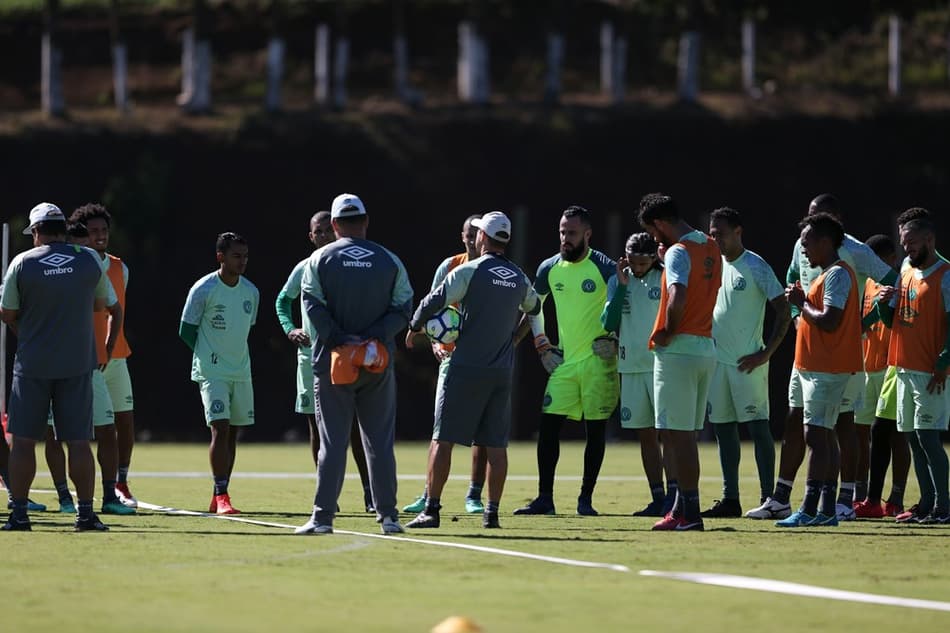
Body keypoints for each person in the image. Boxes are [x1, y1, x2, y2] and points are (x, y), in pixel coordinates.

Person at [747, 193, 897, 520]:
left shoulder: (852, 257)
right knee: (804, 424)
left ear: (829, 233)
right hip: (810, 355)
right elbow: (793, 280)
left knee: (832, 429)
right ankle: (791, 499)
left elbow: (886, 286)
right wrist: (797, 304)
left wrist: (867, 319)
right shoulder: (812, 254)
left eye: (810, 236)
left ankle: (833, 503)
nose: (803, 245)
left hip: (833, 359)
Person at [404, 211, 540, 529]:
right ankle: (491, 513)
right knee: (496, 445)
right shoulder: (519, 276)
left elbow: (433, 301)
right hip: (501, 371)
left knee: (442, 440)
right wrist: (513, 341)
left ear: (482, 237)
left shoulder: (469, 271)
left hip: (464, 368)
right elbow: (535, 309)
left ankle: (432, 510)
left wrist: (414, 327)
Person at [295, 193, 412, 535]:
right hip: (376, 362)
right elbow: (404, 307)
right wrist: (374, 338)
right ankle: (389, 517)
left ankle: (322, 518)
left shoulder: (319, 259)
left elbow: (312, 305)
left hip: (334, 364)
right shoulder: (390, 260)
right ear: (365, 221)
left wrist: (340, 340)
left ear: (333, 225)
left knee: (332, 442)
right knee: (379, 441)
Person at [1, 202, 112, 531]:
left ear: (36, 232)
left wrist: (30, 331)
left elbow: (7, 313)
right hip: (77, 362)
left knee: (23, 441)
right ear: (63, 229)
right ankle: (85, 514)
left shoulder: (22, 262)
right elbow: (100, 304)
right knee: (77, 441)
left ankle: (19, 515)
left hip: (33, 363)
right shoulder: (89, 260)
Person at [513, 205, 618, 517]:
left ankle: (585, 500)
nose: (565, 238)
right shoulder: (549, 268)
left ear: (587, 234)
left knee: (595, 432)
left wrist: (617, 339)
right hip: (565, 364)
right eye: (561, 232)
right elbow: (534, 307)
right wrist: (539, 343)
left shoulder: (604, 267)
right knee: (547, 428)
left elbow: (624, 305)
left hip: (599, 364)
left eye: (571, 233)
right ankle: (545, 498)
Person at [276, 210, 374, 512]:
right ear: (311, 236)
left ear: (335, 230)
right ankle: (327, 493)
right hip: (311, 357)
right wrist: (290, 328)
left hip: (346, 354)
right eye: (316, 232)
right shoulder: (304, 267)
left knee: (357, 426)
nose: (322, 236)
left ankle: (370, 493)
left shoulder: (348, 265)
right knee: (318, 428)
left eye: (325, 231)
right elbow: (283, 300)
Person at [637, 193, 722, 532]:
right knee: (685, 434)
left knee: (678, 436)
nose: (654, 239)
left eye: (653, 231)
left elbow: (679, 294)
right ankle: (682, 507)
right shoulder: (710, 245)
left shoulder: (677, 252)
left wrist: (668, 332)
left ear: (660, 224)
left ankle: (689, 512)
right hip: (705, 347)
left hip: (679, 350)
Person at [776, 212, 863, 527]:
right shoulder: (828, 273)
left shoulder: (838, 275)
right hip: (814, 366)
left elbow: (829, 320)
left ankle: (811, 508)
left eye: (808, 242)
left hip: (827, 368)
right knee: (821, 436)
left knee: (817, 436)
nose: (804, 249)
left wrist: (801, 302)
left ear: (826, 242)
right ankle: (825, 509)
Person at [703, 207, 790, 517]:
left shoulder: (755, 265)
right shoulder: (712, 265)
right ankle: (731, 499)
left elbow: (783, 308)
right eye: (712, 234)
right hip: (717, 363)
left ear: (738, 232)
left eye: (721, 234)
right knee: (723, 429)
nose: (716, 240)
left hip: (748, 363)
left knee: (757, 428)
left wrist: (766, 353)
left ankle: (771, 500)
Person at [43, 219, 134, 516]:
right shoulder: (39, 268)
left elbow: (114, 309)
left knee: (107, 429)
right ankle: (65, 499)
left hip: (87, 364)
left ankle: (110, 496)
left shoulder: (92, 268)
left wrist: (106, 350)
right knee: (55, 434)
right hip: (49, 366)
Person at [403, 214, 491, 516]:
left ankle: (474, 495)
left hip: (484, 358)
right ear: (463, 236)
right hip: (452, 359)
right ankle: (429, 493)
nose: (472, 238)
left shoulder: (495, 270)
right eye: (468, 233)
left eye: (477, 233)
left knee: (483, 430)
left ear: (485, 237)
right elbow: (432, 306)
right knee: (441, 430)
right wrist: (438, 342)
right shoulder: (449, 266)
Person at [180, 232, 259, 515]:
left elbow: (245, 329)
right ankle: (222, 493)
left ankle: (219, 493)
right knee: (220, 428)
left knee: (233, 433)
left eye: (245, 256)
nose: (242, 261)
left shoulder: (251, 292)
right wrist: (207, 353)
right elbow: (186, 330)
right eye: (236, 256)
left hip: (240, 371)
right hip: (211, 371)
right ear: (220, 257)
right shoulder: (204, 288)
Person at [878, 216, 950, 524]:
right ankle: (926, 503)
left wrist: (944, 363)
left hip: (930, 370)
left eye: (912, 242)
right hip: (904, 367)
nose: (906, 248)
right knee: (912, 437)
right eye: (903, 242)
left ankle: (944, 508)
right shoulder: (906, 268)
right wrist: (883, 304)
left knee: (928, 438)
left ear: (930, 240)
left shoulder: (945, 275)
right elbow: (891, 319)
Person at [601, 232, 678, 516]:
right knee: (645, 435)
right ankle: (657, 497)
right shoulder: (619, 280)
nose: (636, 266)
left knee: (667, 433)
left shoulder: (667, 277)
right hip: (630, 366)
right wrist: (621, 287)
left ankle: (674, 497)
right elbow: (609, 322)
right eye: (631, 260)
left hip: (660, 365)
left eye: (642, 261)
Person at [69, 203, 139, 508]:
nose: (100, 236)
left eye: (103, 231)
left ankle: (121, 482)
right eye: (93, 231)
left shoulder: (120, 267)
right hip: (87, 360)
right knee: (97, 427)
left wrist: (111, 350)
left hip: (117, 357)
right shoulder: (73, 265)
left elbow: (117, 311)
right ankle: (81, 493)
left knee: (125, 422)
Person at [852, 234, 910, 518]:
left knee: (897, 436)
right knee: (861, 434)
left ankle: (896, 497)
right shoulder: (867, 282)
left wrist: (862, 323)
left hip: (891, 368)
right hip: (865, 368)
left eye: (877, 261)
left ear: (890, 259)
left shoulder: (901, 282)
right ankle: (862, 494)